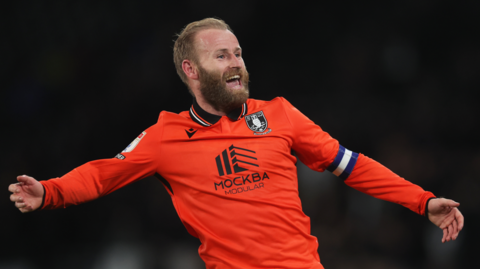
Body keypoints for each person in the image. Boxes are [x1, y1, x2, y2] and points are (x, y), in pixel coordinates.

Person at [9, 18, 463, 269]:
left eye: (239, 52)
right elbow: (102, 173)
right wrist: (49, 192)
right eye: (221, 55)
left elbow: (352, 165)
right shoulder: (164, 136)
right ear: (191, 70)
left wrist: (422, 202)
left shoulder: (281, 114)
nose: (237, 63)